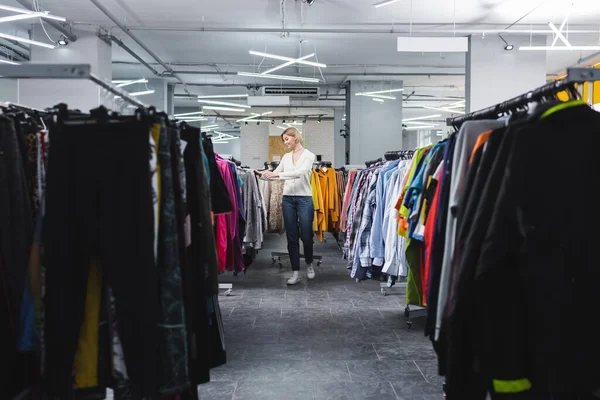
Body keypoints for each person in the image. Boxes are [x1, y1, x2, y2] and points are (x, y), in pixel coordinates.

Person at [261, 127, 317, 285]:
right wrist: (263, 175)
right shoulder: (286, 157)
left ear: (295, 138)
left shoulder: (309, 155)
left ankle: (309, 264)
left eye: (287, 139)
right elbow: (276, 174)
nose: (285, 142)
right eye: (284, 140)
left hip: (305, 199)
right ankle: (295, 272)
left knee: (306, 235)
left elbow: (300, 172)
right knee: (291, 237)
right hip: (288, 200)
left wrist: (277, 174)